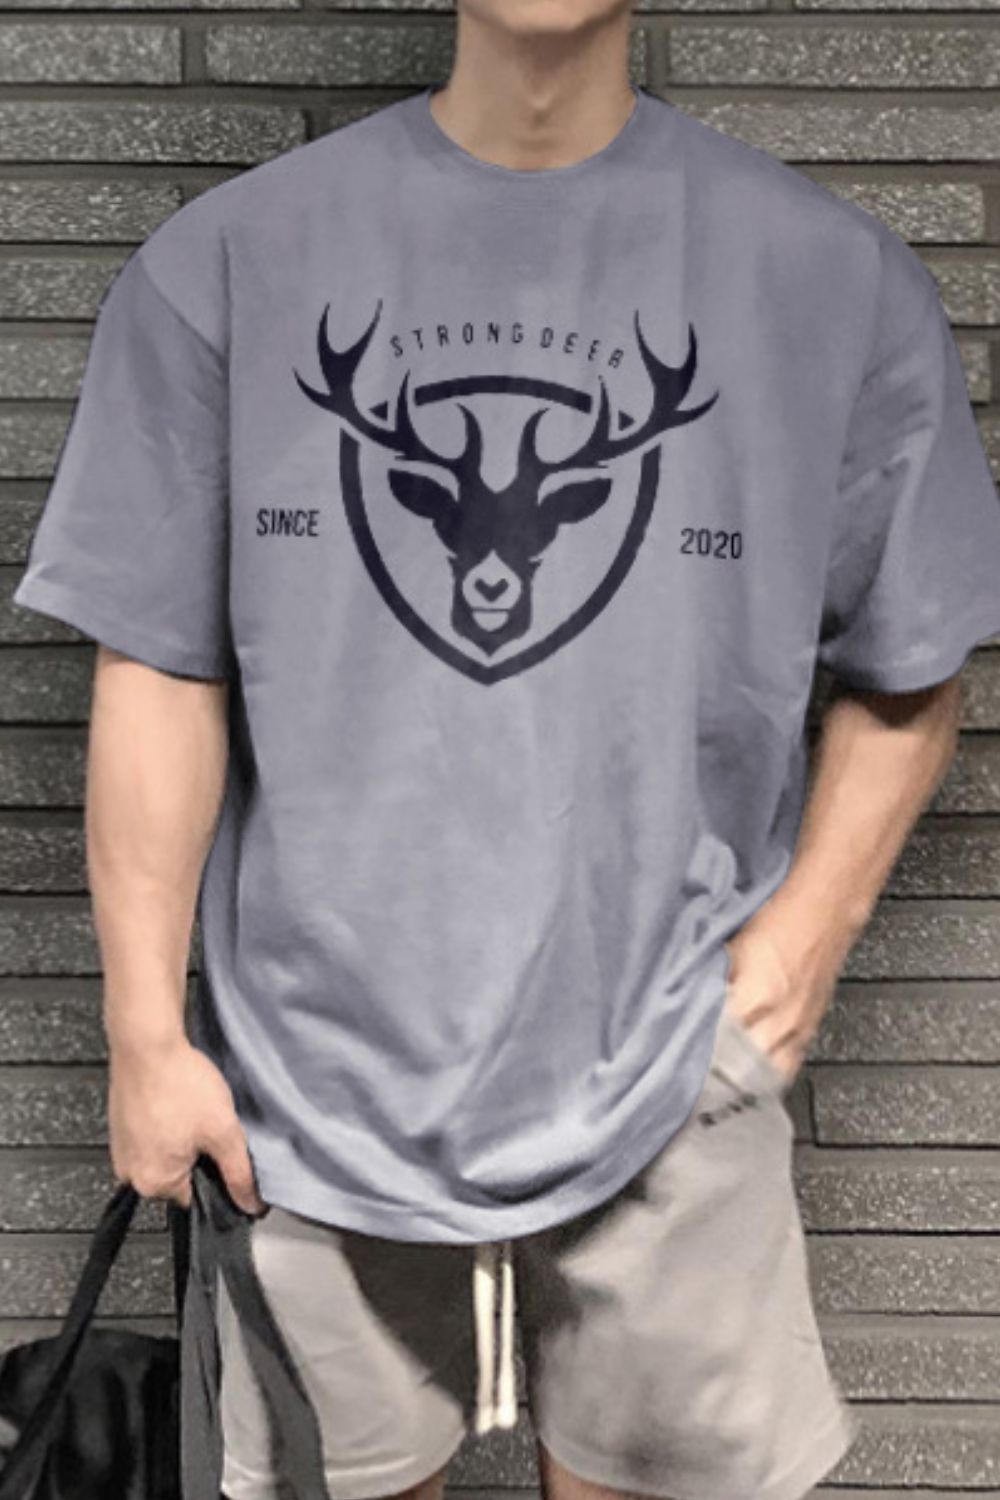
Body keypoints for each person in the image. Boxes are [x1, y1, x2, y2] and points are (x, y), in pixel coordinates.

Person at [12, 0, 1000, 1495]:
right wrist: (147, 1037)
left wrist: (799, 951)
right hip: (309, 1106)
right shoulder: (227, 263)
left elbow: (914, 656)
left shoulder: (829, 280)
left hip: (677, 1082)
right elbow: (159, 666)